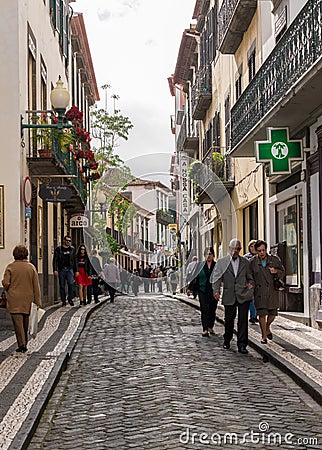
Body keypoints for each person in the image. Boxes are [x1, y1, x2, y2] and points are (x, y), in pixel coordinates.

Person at [211, 238, 254, 354]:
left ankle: (242, 345)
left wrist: (251, 285)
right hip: (229, 294)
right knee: (229, 320)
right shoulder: (222, 262)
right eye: (233, 249)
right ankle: (227, 339)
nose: (235, 251)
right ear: (229, 249)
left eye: (237, 249)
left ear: (240, 250)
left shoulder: (245, 262)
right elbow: (216, 278)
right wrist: (216, 291)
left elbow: (250, 277)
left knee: (243, 321)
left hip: (243, 294)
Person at [2, 245, 41, 353]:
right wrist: (37, 301)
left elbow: (6, 283)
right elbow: (36, 286)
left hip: (14, 298)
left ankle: (21, 344)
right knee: (25, 322)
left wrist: (6, 285)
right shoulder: (31, 267)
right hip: (27, 299)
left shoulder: (10, 267)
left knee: (17, 323)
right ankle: (24, 342)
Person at [249, 240, 285, 344]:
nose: (262, 253)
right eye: (259, 251)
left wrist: (276, 271)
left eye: (263, 250)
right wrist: (250, 284)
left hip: (272, 291)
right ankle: (264, 335)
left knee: (272, 314)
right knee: (261, 314)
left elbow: (282, 272)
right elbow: (248, 276)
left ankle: (267, 326)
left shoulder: (274, 260)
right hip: (259, 292)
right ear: (256, 251)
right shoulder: (252, 262)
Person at [191, 248, 217, 337]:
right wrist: (190, 288)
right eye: (206, 254)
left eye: (210, 254)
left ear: (213, 255)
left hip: (213, 291)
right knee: (204, 309)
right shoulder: (200, 266)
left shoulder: (216, 266)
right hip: (202, 290)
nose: (208, 256)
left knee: (212, 309)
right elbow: (194, 277)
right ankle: (205, 329)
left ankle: (210, 326)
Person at [53, 235, 76, 307]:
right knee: (62, 285)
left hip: (70, 269)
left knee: (71, 284)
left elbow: (75, 260)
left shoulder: (72, 249)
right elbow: (55, 259)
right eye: (67, 240)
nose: (68, 242)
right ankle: (63, 300)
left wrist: (76, 270)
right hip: (61, 269)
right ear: (64, 240)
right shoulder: (59, 249)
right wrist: (55, 269)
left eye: (69, 241)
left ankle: (70, 298)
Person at [244, 240, 258, 324]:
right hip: (249, 281)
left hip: (259, 281)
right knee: (251, 299)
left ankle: (255, 315)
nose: (253, 248)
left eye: (254, 246)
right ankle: (253, 316)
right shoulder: (246, 257)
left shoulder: (261, 256)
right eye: (251, 246)